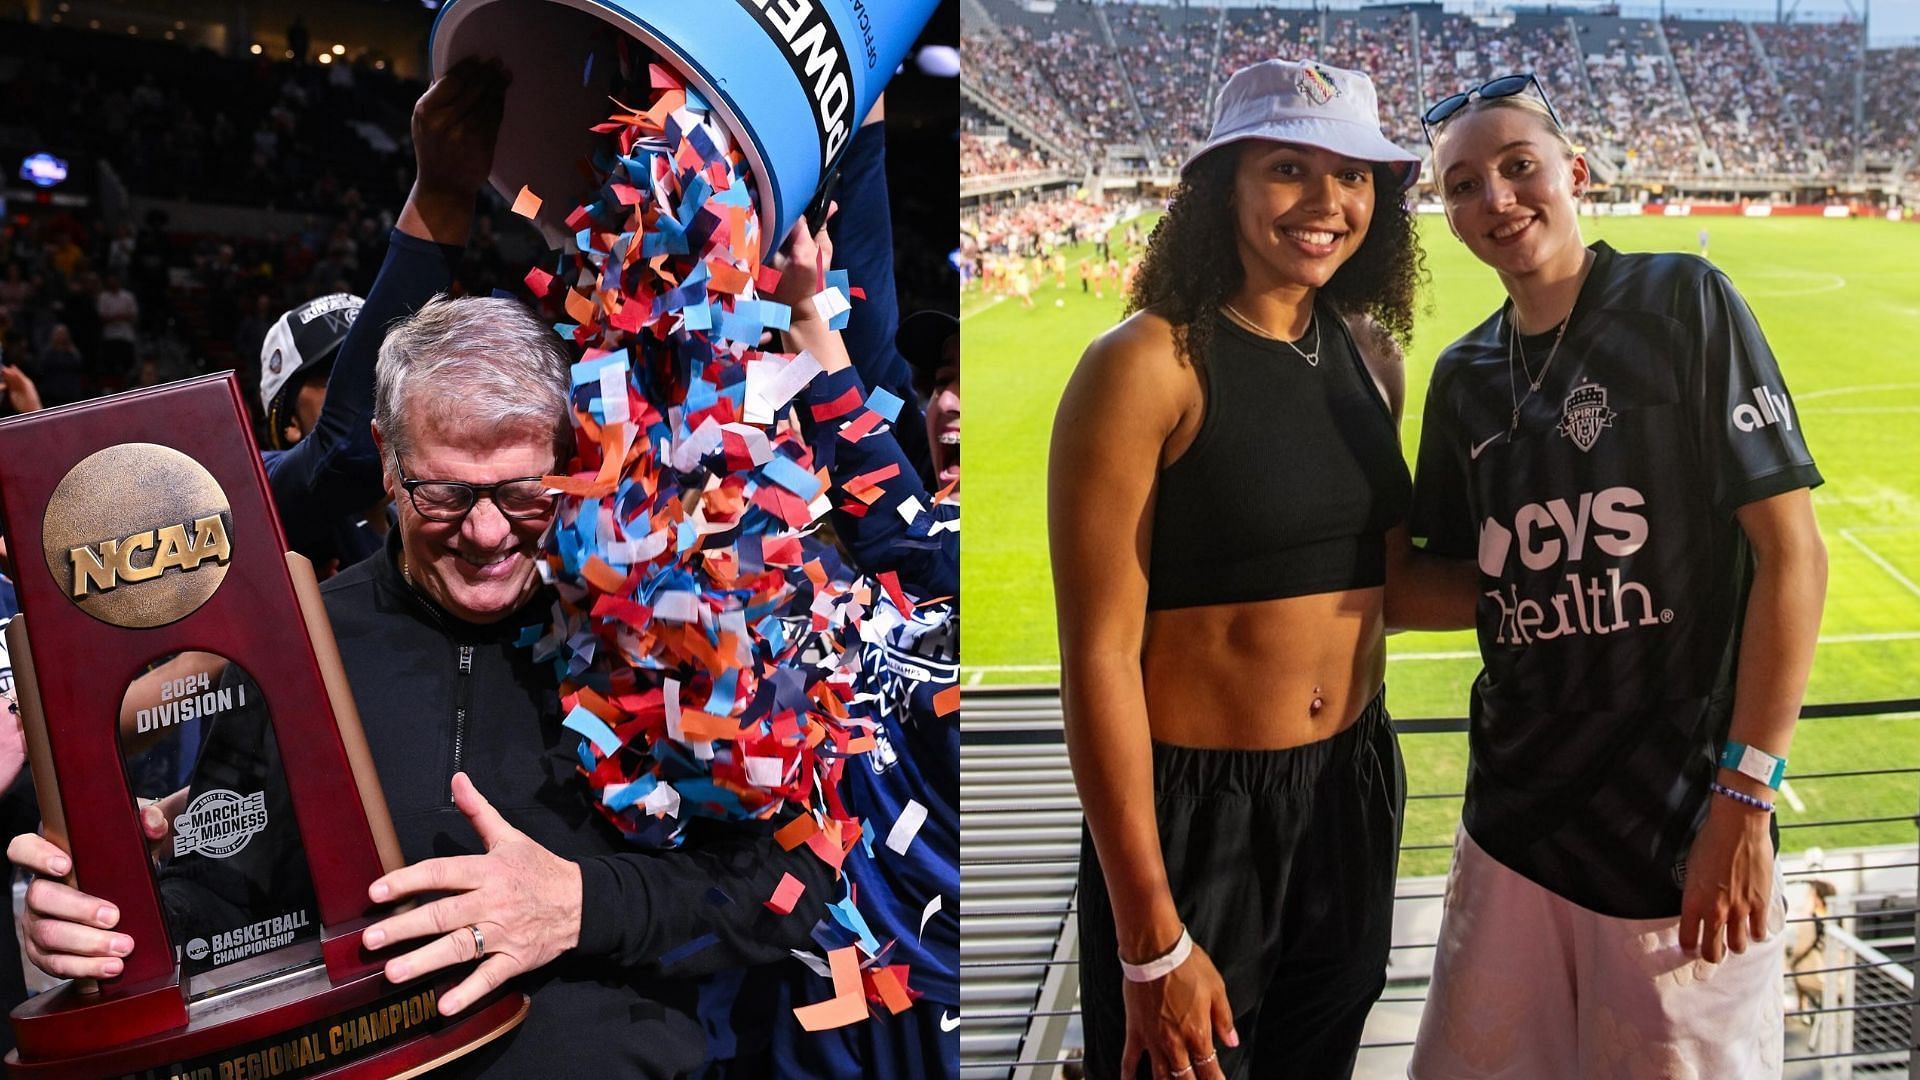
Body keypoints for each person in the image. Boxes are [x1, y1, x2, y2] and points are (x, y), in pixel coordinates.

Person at [9, 294, 836, 1078]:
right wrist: (119, 924)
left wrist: (582, 904)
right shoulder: (297, 640)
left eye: (523, 493)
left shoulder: (666, 624)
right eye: (443, 493)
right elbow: (225, 896)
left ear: (574, 460)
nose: (484, 533)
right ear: (385, 460)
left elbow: (795, 884)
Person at [1407, 75, 1827, 1078]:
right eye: (1463, 186)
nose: (1496, 199)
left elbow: (1791, 552)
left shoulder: (1682, 303)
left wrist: (1746, 799)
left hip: (1679, 834)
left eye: (1518, 167)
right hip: (1511, 829)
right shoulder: (1462, 378)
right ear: (1451, 219)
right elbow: (1449, 580)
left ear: (1574, 172)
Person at [1050, 58, 1454, 1080]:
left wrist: (1595, 578)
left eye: (1355, 176)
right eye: (1287, 168)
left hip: (1351, 789)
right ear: (1222, 186)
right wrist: (1149, 932)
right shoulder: (1146, 364)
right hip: (1198, 815)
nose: (1326, 203)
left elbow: (1390, 590)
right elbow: (1099, 656)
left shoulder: (1372, 355)